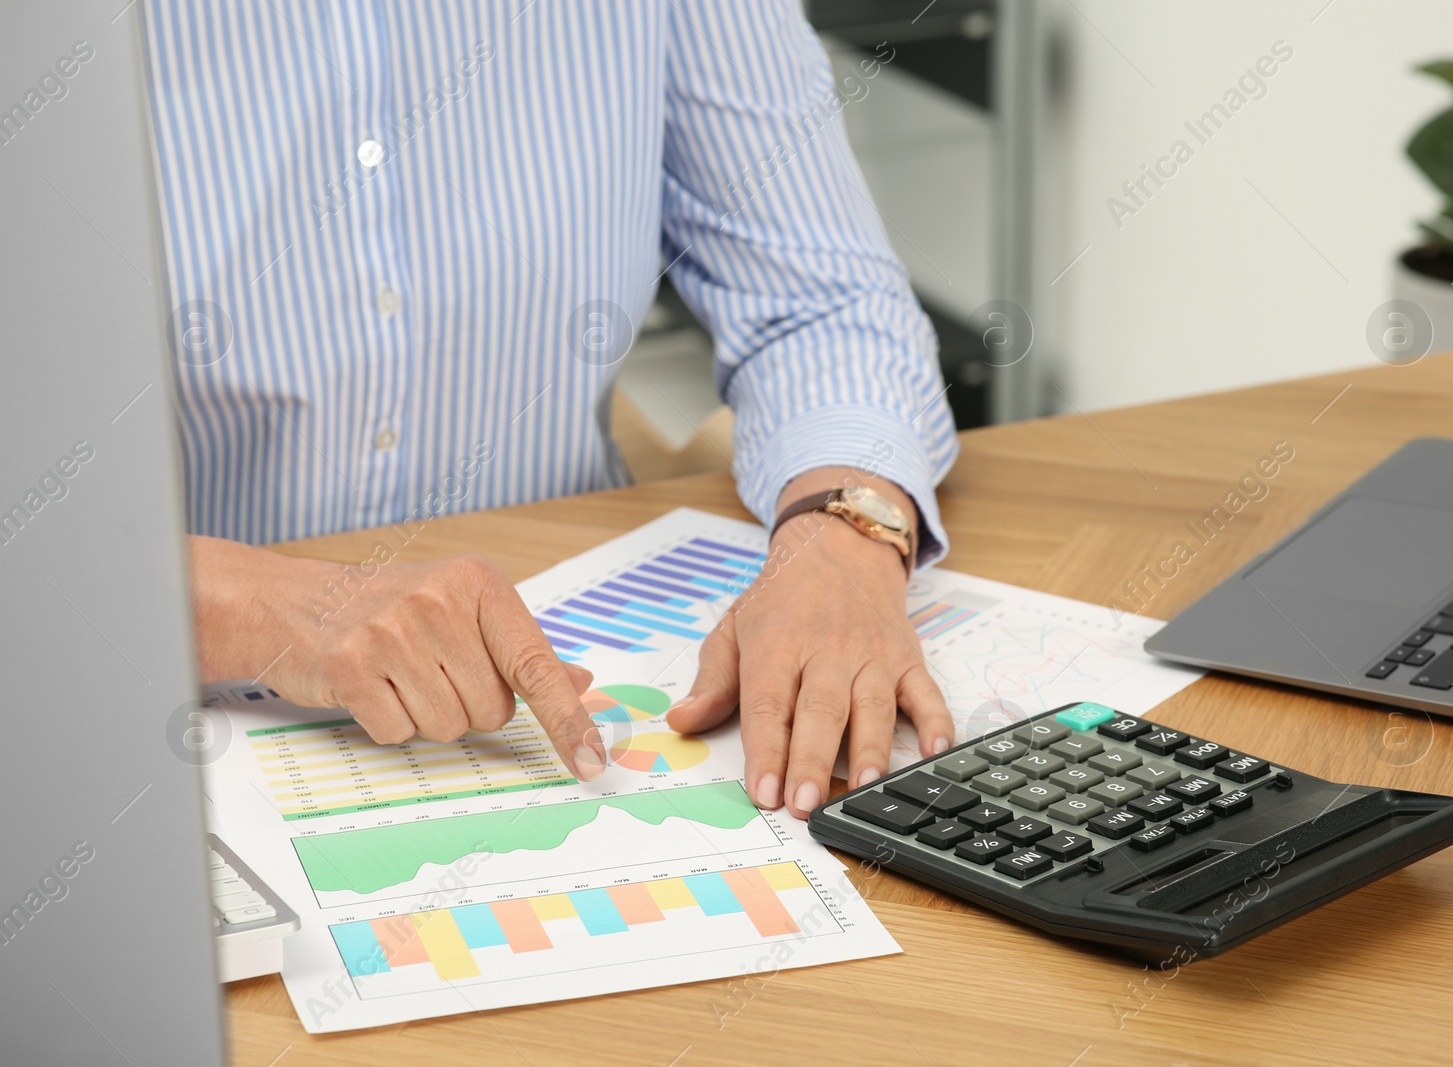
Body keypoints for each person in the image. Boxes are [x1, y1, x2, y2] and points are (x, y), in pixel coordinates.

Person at [151, 0, 958, 820]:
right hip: (170, 705)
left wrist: (843, 532)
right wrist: (241, 602)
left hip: (563, 647)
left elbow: (822, 302)